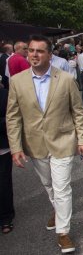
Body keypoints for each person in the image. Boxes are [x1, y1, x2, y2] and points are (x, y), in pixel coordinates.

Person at [6, 35, 83, 253]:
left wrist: (82, 139)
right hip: (35, 144)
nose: (34, 54)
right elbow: (13, 117)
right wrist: (15, 147)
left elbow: (78, 112)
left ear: (50, 55)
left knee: (62, 187)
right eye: (31, 50)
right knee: (49, 185)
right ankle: (58, 210)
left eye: (39, 51)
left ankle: (63, 232)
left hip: (62, 140)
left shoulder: (65, 79)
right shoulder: (17, 81)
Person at [0, 87, 14, 234]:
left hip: (2, 148)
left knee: (3, 184)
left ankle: (5, 217)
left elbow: (11, 119)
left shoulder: (3, 94)